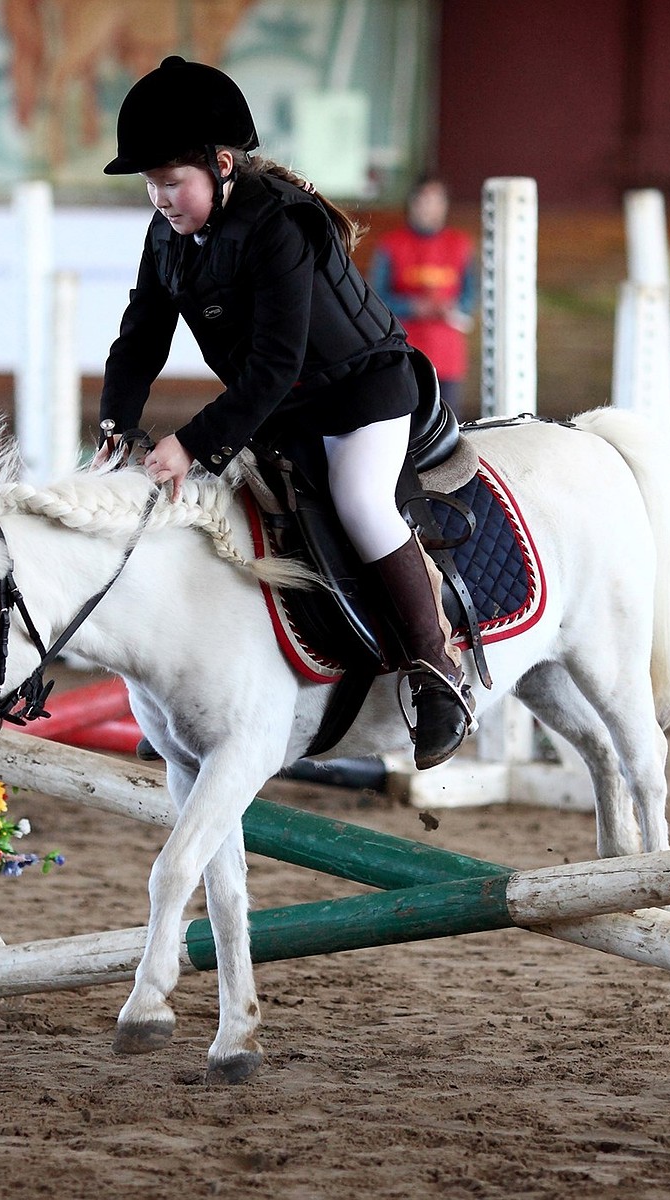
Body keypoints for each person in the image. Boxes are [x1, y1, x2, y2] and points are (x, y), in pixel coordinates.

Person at [95, 55, 471, 770]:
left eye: (172, 182)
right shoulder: (166, 236)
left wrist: (192, 443)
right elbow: (141, 334)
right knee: (227, 510)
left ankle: (437, 671)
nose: (161, 199)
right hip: (283, 406)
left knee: (361, 501)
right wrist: (119, 424)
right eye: (151, 185)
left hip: (362, 394)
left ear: (223, 164)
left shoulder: (280, 226)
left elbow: (275, 364)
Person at [368, 176, 476, 416]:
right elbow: (375, 299)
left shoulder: (460, 244)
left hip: (447, 355)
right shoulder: (391, 244)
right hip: (405, 353)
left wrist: (452, 308)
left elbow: (469, 298)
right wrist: (412, 307)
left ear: (445, 205)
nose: (429, 207)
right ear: (412, 203)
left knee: (448, 427)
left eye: (436, 200)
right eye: (423, 200)